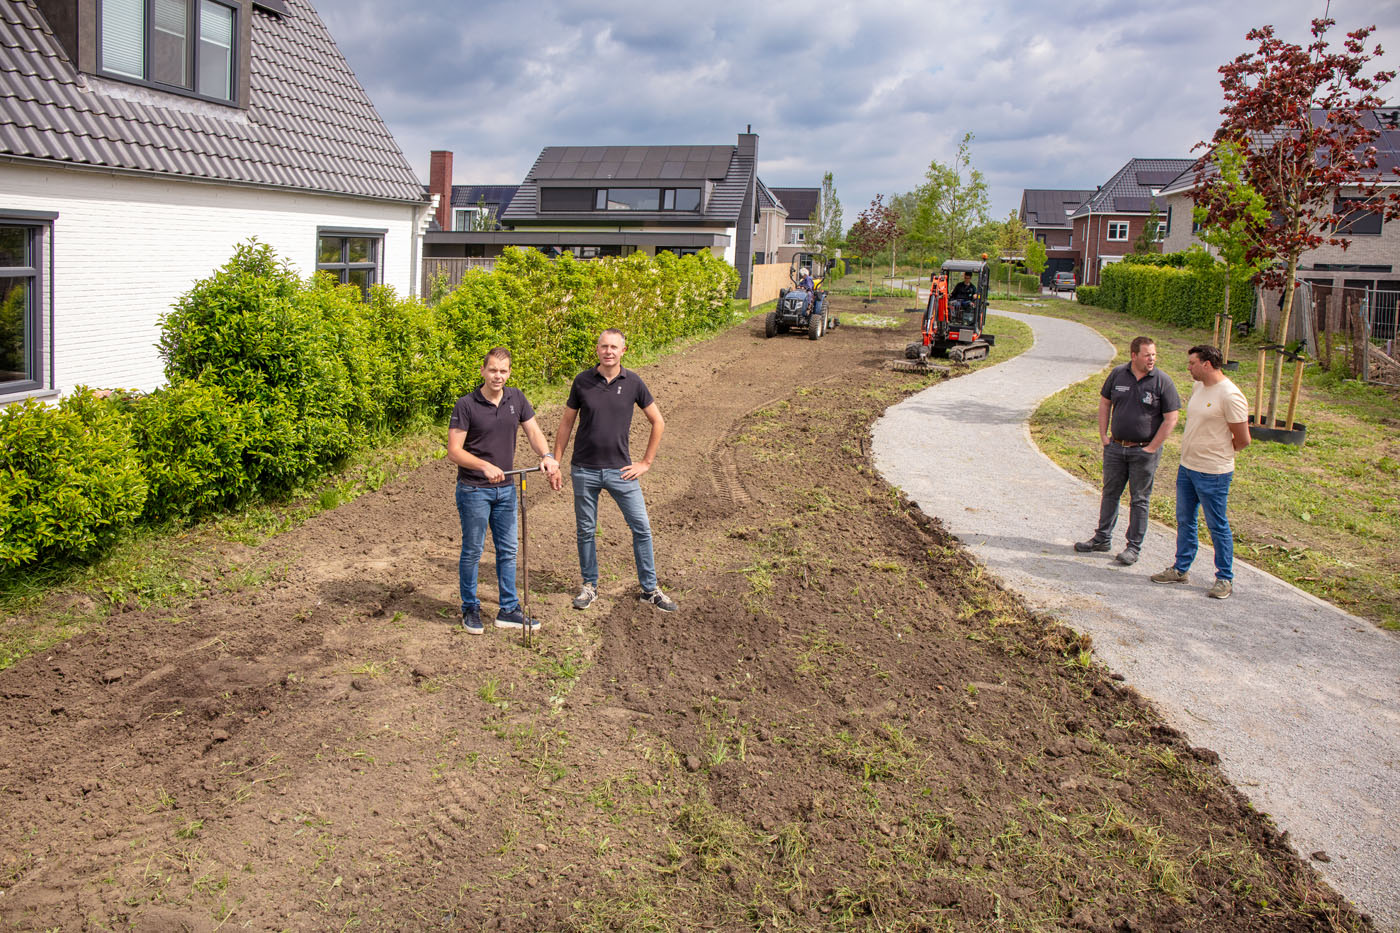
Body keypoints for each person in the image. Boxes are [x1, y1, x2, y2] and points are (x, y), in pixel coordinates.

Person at [553, 329, 677, 613]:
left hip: (622, 471)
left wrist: (645, 463)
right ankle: (589, 585)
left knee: (641, 528)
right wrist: (556, 460)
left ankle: (649, 589)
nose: (608, 351)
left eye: (614, 347)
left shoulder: (633, 382)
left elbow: (657, 421)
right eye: (603, 346)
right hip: (584, 469)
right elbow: (566, 423)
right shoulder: (582, 381)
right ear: (597, 350)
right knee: (586, 530)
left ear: (624, 350)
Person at [447, 348, 561, 635]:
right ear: (483, 371)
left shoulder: (516, 398)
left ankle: (509, 608)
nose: (498, 376)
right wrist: (483, 466)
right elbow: (454, 452)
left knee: (508, 550)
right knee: (473, 550)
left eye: (504, 371)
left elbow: (533, 432)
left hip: (506, 490)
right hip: (474, 490)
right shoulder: (466, 405)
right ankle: (470, 607)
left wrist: (546, 454)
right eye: (493, 370)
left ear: (509, 372)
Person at [1151, 344, 1251, 599]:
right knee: (1185, 520)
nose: (1188, 367)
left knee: (1217, 525)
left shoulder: (1230, 395)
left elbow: (1243, 439)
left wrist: (1217, 453)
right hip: (1187, 468)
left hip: (1214, 473)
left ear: (1207, 364)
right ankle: (1181, 568)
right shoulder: (1199, 387)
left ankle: (1224, 578)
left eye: (1192, 363)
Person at [1074, 337, 1181, 565]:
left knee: (1139, 499)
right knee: (1110, 493)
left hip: (1143, 452)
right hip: (1115, 447)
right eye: (1146, 355)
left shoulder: (1162, 381)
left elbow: (1172, 418)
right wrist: (1104, 436)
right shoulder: (1118, 374)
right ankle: (1102, 538)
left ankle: (1133, 547)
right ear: (1134, 355)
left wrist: (1152, 447)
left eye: (1153, 355)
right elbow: (1105, 402)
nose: (1151, 359)